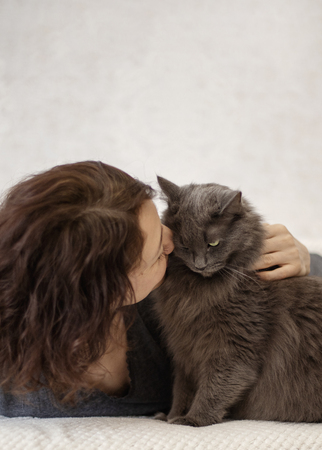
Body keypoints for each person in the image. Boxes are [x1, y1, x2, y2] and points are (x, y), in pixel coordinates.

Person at [0, 160, 320, 418]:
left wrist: (301, 255)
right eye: (157, 252)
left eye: (163, 225)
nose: (172, 243)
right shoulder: (14, 388)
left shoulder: (178, 280)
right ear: (108, 293)